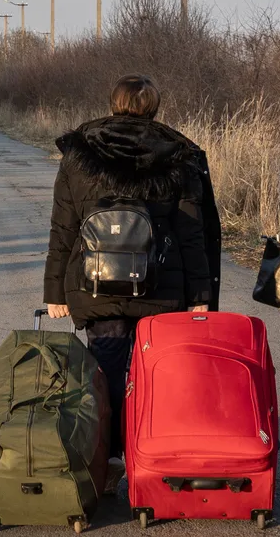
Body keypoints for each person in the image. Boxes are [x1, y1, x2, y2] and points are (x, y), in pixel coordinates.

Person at [43, 73, 212, 493]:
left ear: (114, 102)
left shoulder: (80, 152)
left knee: (106, 371)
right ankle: (150, 455)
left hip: (96, 284)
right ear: (154, 106)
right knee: (155, 374)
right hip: (160, 286)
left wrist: (54, 294)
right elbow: (193, 232)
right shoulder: (178, 153)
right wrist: (201, 294)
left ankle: (108, 454)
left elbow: (63, 227)